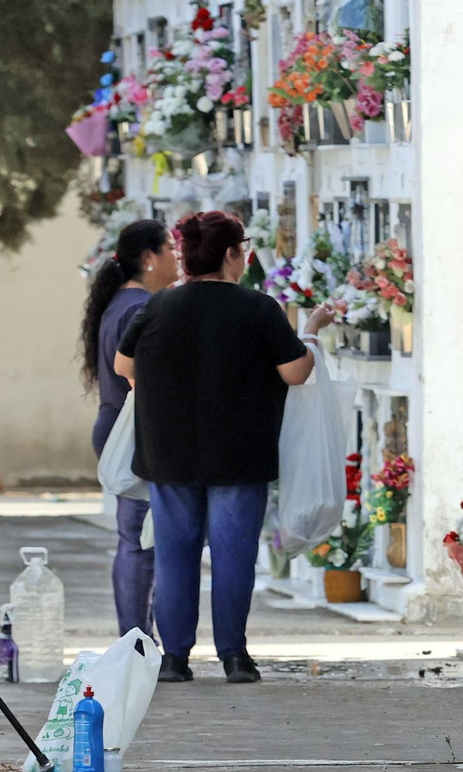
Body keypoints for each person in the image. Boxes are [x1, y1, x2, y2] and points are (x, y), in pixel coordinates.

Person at [115, 211, 336, 684]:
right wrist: (313, 332)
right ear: (234, 253)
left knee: (175, 556)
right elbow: (296, 372)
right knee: (234, 556)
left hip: (168, 451)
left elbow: (122, 363)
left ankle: (173, 658)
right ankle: (234, 656)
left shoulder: (158, 306)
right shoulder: (257, 308)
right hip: (239, 452)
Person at [80, 219, 178, 639]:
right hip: (136, 429)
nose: (178, 257)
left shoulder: (120, 303)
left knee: (134, 537)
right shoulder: (140, 308)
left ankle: (135, 635)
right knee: (140, 540)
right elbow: (146, 380)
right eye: (170, 247)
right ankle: (136, 638)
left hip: (116, 422)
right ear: (149, 257)